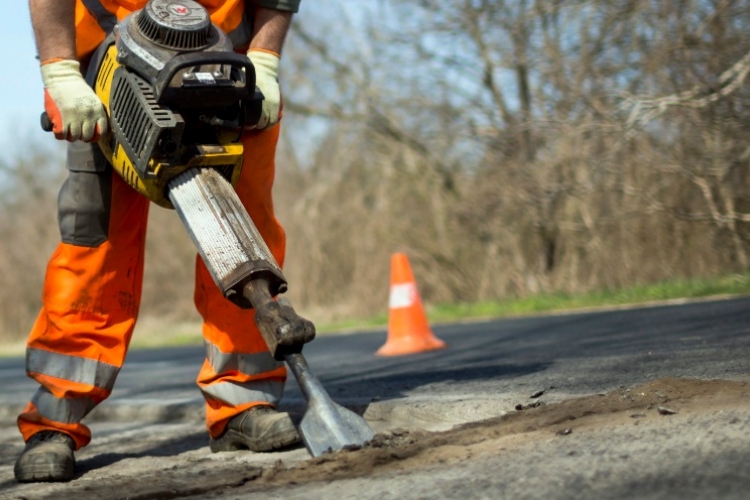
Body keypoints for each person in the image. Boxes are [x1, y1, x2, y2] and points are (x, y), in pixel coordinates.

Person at [15, 0, 302, 483]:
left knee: (244, 235)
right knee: (94, 248)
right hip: (110, 69)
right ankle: (54, 421)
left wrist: (266, 58)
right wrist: (61, 70)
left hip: (228, 66)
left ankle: (243, 400)